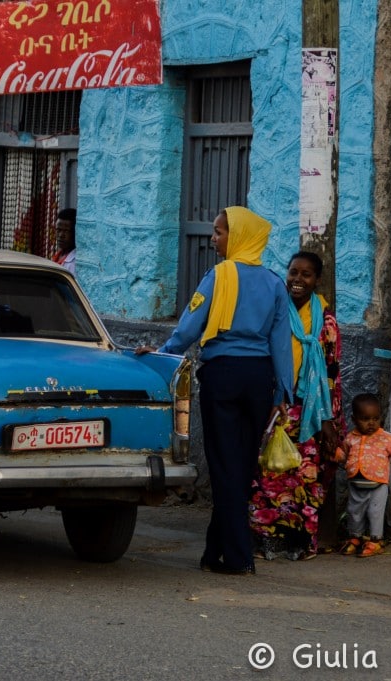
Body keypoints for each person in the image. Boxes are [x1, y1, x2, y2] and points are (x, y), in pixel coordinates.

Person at [138, 207, 293, 575]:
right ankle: (214, 553)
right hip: (259, 379)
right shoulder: (274, 283)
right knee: (239, 465)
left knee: (224, 466)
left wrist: (161, 355)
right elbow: (281, 344)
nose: (213, 239)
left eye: (220, 232)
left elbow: (189, 329)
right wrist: (281, 396)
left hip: (222, 376)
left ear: (238, 236)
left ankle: (239, 558)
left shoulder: (218, 276)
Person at [249, 251, 344, 561]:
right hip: (278, 405)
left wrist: (328, 419)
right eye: (293, 273)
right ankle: (265, 542)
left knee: (305, 478)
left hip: (311, 412)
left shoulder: (325, 319)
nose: (298, 280)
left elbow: (331, 370)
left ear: (316, 280)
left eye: (306, 275)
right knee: (269, 474)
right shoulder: (276, 309)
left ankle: (300, 543)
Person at [333, 393, 391, 558]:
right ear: (354, 419)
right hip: (356, 482)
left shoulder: (385, 438)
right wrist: (335, 453)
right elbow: (345, 456)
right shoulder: (350, 438)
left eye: (375, 418)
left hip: (378, 485)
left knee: (375, 512)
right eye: (365, 419)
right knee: (354, 511)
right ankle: (355, 537)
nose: (371, 423)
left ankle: (376, 540)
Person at [53, 208, 76, 275]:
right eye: (58, 230)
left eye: (66, 231)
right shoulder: (57, 256)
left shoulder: (74, 263)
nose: (61, 235)